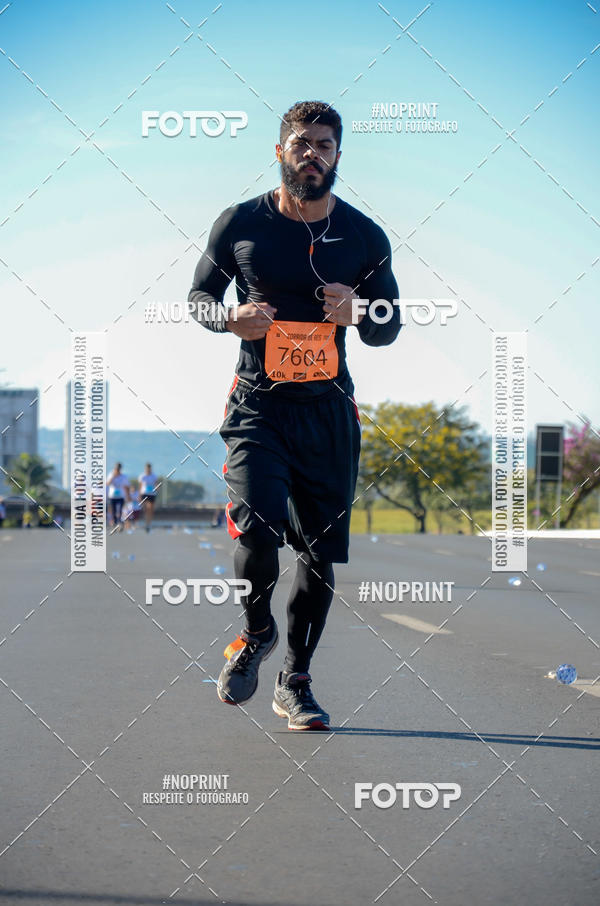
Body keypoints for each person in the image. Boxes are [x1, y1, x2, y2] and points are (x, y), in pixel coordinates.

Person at [188, 100, 400, 731]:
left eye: (325, 145)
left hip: (328, 413)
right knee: (256, 526)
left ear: (338, 157)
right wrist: (228, 317)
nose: (313, 154)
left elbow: (390, 326)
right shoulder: (240, 225)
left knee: (317, 552)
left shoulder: (364, 236)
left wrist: (360, 312)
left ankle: (296, 682)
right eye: (302, 143)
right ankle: (256, 634)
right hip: (258, 404)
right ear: (280, 151)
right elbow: (199, 297)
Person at [106, 463, 130, 531]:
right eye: (116, 469)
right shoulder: (111, 474)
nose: (117, 470)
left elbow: (126, 486)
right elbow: (107, 483)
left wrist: (128, 496)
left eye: (118, 469)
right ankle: (115, 523)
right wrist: (113, 476)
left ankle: (120, 523)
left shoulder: (123, 476)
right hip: (112, 496)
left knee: (119, 511)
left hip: (121, 496)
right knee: (113, 511)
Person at [138, 463, 158, 533]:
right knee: (146, 509)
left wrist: (157, 489)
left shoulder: (154, 476)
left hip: (152, 494)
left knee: (150, 509)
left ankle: (149, 524)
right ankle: (146, 522)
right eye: (147, 468)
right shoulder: (142, 476)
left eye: (149, 468)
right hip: (144, 493)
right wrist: (139, 495)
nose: (148, 470)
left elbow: (156, 484)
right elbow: (140, 486)